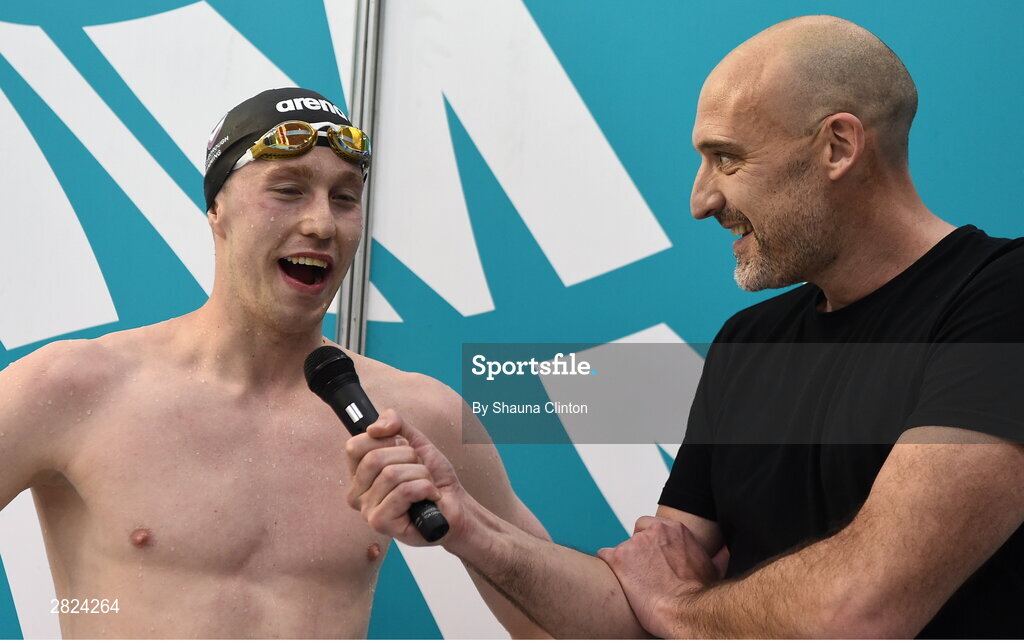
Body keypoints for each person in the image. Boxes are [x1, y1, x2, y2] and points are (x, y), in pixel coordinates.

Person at [346, 15, 1024, 638]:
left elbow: (855, 612)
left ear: (838, 146)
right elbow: (630, 616)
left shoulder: (1003, 298)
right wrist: (468, 526)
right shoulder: (749, 344)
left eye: (727, 158)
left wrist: (680, 607)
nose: (701, 200)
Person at [0, 88, 549, 638]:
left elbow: (558, 626)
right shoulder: (75, 388)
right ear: (216, 208)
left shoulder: (414, 414)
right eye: (287, 191)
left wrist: (469, 529)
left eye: (344, 198)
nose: (322, 224)